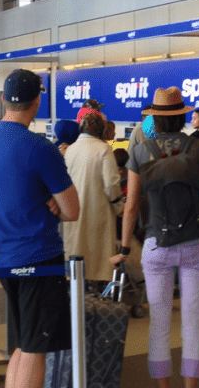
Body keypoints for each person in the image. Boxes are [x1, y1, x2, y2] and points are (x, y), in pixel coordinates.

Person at [111, 87, 199, 388]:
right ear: (181, 117)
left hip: (156, 244)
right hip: (195, 244)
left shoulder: (139, 151)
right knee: (192, 323)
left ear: (156, 119)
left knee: (159, 323)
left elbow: (132, 206)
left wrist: (124, 248)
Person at [0, 69, 79, 388]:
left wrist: (47, 197)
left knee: (23, 344)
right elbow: (72, 210)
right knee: (37, 350)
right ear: (37, 102)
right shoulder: (40, 148)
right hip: (38, 257)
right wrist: (53, 200)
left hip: (2, 256)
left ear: (4, 99)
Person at [62, 112, 122, 284]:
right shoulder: (103, 149)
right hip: (97, 213)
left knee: (76, 259)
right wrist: (119, 207)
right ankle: (95, 299)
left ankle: (77, 297)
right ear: (100, 130)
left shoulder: (71, 149)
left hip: (73, 213)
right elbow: (111, 185)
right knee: (96, 262)